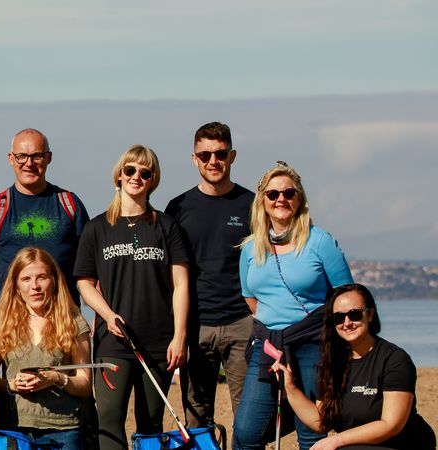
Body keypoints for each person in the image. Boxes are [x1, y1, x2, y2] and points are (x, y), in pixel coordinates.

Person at [73, 145, 192, 450]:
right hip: (114, 342)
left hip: (158, 343)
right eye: (130, 170)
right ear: (119, 174)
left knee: (150, 424)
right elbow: (85, 284)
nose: (136, 177)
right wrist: (108, 314)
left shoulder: (167, 227)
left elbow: (180, 284)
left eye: (145, 172)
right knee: (109, 420)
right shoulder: (97, 228)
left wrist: (179, 336)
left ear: (153, 180)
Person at [233, 162, 354, 450]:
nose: (281, 200)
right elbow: (251, 298)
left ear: (299, 198)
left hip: (314, 343)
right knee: (246, 432)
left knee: (312, 429)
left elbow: (347, 295)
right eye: (273, 194)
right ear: (262, 201)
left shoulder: (320, 241)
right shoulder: (250, 248)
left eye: (289, 192)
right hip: (268, 344)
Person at [164, 122, 255, 428]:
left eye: (220, 154)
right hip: (196, 323)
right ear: (194, 159)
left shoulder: (252, 204)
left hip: (242, 322)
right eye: (205, 155)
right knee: (196, 415)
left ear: (232, 155)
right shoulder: (178, 207)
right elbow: (170, 270)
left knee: (249, 415)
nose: (213, 161)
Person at [273, 284, 436, 450]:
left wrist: (337, 440)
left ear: (370, 314)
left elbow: (391, 425)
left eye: (355, 314)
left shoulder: (394, 359)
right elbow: (321, 422)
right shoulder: (332, 362)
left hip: (401, 444)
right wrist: (290, 387)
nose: (347, 322)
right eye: (338, 317)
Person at [0, 128, 89, 341]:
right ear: (11, 159)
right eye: (21, 156)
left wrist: (99, 319)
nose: (29, 163)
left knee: (67, 376)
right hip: (11, 323)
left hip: (63, 320)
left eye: (37, 156)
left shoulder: (70, 204)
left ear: (49, 158)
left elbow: (89, 268)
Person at [0, 247, 91, 450]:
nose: (35, 286)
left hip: (63, 430)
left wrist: (56, 378)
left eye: (42, 277)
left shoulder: (74, 323)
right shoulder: (1, 326)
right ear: (16, 286)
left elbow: (85, 384)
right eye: (26, 279)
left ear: (54, 280)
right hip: (13, 428)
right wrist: (11, 385)